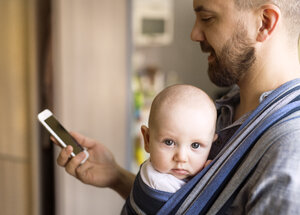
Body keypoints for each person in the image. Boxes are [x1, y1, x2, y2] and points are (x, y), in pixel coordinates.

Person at [54, 0, 300, 213]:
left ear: (265, 23)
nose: (194, 33)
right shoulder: (227, 107)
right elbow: (188, 205)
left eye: (207, 18)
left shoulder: (290, 154)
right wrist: (117, 177)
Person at [121, 84, 217, 214]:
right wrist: (211, 183)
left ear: (212, 145)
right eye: (169, 142)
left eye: (195, 145)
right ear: (147, 139)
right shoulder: (157, 186)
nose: (181, 157)